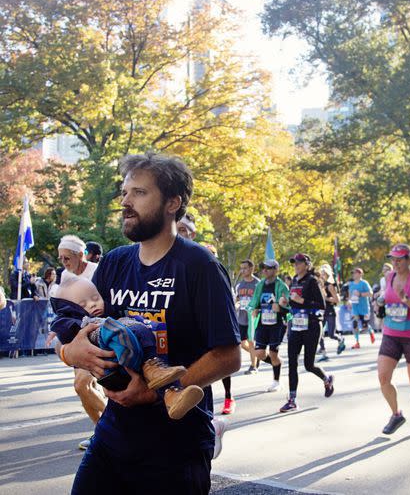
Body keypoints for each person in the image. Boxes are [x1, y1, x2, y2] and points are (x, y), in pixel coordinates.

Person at [60, 152, 241, 492]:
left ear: (173, 202)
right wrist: (72, 353)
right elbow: (80, 329)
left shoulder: (198, 266)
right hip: (112, 436)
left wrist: (154, 392)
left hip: (177, 446)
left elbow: (229, 355)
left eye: (139, 193)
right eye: (125, 193)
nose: (126, 202)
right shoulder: (115, 262)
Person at [51, 276, 204, 420]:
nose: (92, 304)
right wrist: (67, 353)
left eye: (96, 298)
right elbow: (62, 338)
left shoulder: (108, 310)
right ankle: (151, 366)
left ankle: (173, 395)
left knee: (138, 330)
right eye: (83, 305)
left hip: (130, 365)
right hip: (114, 368)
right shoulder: (73, 321)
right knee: (132, 328)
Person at [177, 215, 238, 417]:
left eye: (184, 229)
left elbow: (228, 356)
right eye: (176, 228)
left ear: (193, 234)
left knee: (215, 361)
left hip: (208, 330)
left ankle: (227, 398)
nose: (179, 233)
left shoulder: (207, 265)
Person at [55, 234, 105, 451]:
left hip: (101, 333)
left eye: (67, 257)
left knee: (83, 383)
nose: (64, 263)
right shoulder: (65, 276)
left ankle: (111, 429)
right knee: (83, 387)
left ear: (79, 255)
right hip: (78, 336)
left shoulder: (97, 271)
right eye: (61, 258)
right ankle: (104, 431)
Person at [377, 243, 410, 436]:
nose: (396, 263)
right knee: (383, 377)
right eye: (393, 259)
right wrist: (381, 304)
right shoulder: (389, 277)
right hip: (391, 333)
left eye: (399, 259)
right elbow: (387, 299)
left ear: (409, 260)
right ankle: (396, 414)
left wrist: (407, 300)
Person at [281, 253, 334, 412]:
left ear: (307, 264)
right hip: (296, 326)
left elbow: (321, 305)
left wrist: (301, 301)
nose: (296, 265)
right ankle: (292, 399)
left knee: (309, 365)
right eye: (294, 263)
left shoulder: (313, 281)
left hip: (311, 326)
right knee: (292, 363)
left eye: (299, 263)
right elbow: (293, 303)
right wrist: (286, 303)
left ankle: (326, 379)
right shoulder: (295, 281)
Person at [248, 258, 289, 393]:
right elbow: (255, 301)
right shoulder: (260, 285)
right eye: (263, 268)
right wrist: (254, 308)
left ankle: (276, 381)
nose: (264, 270)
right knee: (259, 353)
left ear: (275, 270)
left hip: (277, 323)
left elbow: (288, 305)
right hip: (263, 322)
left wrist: (281, 307)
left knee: (272, 353)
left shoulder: (281, 286)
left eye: (268, 268)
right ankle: (277, 362)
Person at [235, 260, 260, 375]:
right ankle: (255, 354)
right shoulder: (239, 285)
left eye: (245, 268)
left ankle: (253, 366)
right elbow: (237, 299)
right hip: (242, 316)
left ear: (251, 269)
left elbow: (261, 300)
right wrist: (236, 304)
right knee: (240, 342)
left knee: (251, 341)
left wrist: (256, 309)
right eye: (241, 268)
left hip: (253, 317)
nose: (242, 270)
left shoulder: (258, 284)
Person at [317, 263, 345, 359]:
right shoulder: (320, 285)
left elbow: (337, 300)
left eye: (324, 273)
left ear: (328, 274)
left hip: (330, 311)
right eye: (321, 273)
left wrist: (326, 299)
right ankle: (324, 352)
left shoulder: (330, 286)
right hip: (321, 311)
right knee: (319, 332)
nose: (322, 275)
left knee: (331, 334)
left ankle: (340, 339)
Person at [348, 267, 374, 349]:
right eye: (353, 273)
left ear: (360, 274)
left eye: (355, 273)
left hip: (364, 307)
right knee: (355, 324)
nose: (353, 274)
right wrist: (349, 301)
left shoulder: (364, 283)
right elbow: (349, 294)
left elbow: (371, 293)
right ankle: (357, 342)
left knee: (364, 326)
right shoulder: (351, 284)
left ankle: (370, 331)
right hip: (355, 307)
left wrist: (360, 294)